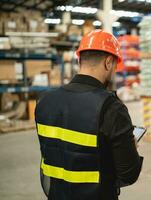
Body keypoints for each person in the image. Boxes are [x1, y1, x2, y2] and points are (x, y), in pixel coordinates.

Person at [35, 30, 143, 200]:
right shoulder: (111, 108)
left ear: (79, 59)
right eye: (115, 65)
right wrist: (131, 148)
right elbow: (129, 174)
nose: (114, 70)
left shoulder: (44, 101)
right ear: (108, 62)